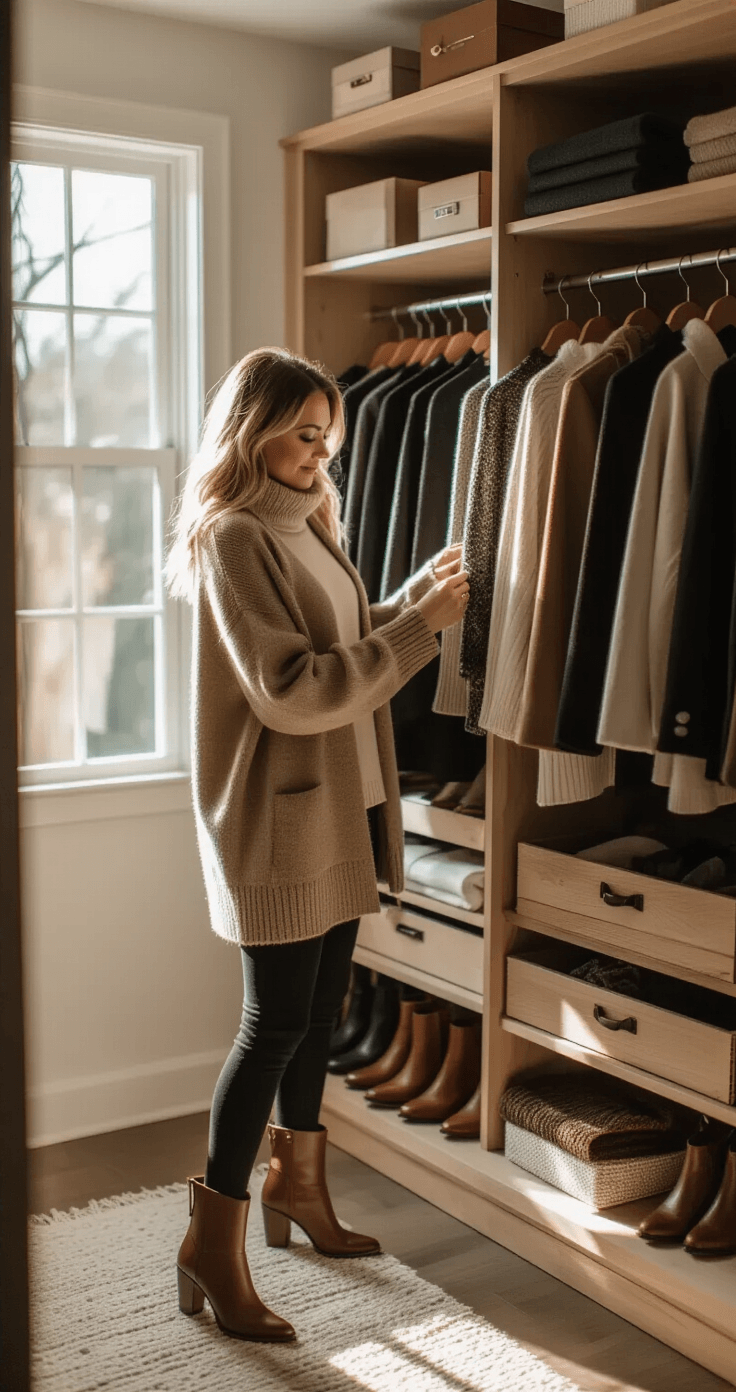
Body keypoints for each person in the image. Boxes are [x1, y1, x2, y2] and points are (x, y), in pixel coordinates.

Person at [165, 347, 471, 1343]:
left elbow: (341, 649)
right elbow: (294, 690)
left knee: (321, 1011)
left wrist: (406, 604)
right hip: (279, 818)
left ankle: (299, 1187)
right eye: (301, 433)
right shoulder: (233, 535)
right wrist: (418, 630)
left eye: (327, 435)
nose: (318, 452)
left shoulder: (310, 524)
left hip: (339, 807)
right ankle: (213, 1241)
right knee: (274, 1027)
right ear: (248, 431)